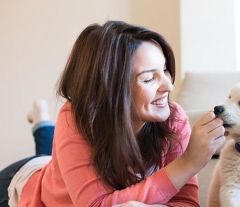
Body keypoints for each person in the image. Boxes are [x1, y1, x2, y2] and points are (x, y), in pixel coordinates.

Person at [0, 20, 226, 206]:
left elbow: (186, 203)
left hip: (57, 167)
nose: (168, 85)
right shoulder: (76, 116)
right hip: (20, 185)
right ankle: (41, 119)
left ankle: (41, 118)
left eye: (165, 69)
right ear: (111, 89)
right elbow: (95, 204)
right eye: (149, 78)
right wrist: (188, 163)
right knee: (48, 157)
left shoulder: (173, 118)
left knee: (53, 156)